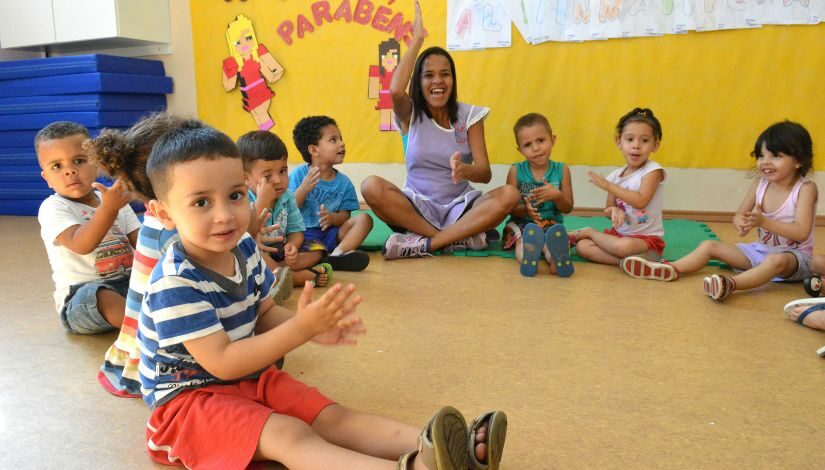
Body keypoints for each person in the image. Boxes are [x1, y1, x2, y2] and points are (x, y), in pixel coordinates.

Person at [138, 121, 507, 469]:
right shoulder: (176, 282)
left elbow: (263, 314)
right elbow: (222, 362)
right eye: (201, 202)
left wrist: (308, 326)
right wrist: (300, 330)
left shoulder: (245, 249)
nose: (225, 215)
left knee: (330, 415)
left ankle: (440, 450)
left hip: (249, 378)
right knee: (289, 433)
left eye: (235, 195)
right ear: (163, 213)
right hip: (188, 403)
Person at [360, 0, 520, 259]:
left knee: (510, 194)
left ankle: (425, 245)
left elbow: (485, 173)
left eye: (444, 74)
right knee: (370, 186)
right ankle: (452, 239)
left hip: (461, 207)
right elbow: (395, 90)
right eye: (429, 75)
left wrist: (466, 170)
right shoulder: (410, 114)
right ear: (420, 82)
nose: (437, 81)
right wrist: (417, 41)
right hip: (416, 209)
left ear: (453, 80)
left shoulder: (470, 116)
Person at [623, 120, 817, 302]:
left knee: (777, 260)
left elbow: (801, 232)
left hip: (794, 257)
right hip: (759, 252)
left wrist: (763, 222)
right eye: (761, 156)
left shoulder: (805, 189)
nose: (765, 162)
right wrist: (742, 223)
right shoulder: (760, 184)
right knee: (709, 245)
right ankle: (669, 268)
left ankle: (730, 284)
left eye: (775, 156)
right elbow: (740, 215)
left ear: (798, 161)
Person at [36, 121, 140, 334]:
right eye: (57, 166)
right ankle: (146, 329)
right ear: (46, 178)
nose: (70, 171)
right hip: (82, 297)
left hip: (130, 283)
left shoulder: (113, 200)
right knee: (99, 295)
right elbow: (81, 243)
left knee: (165, 280)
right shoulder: (53, 207)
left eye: (79, 161)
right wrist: (109, 209)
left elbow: (141, 243)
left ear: (95, 164)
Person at [573, 108, 666, 266]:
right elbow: (608, 210)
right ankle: (631, 263)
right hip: (619, 235)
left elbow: (641, 201)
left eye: (644, 141)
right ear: (619, 142)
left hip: (645, 240)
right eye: (630, 139)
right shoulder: (615, 176)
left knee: (624, 246)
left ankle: (589, 232)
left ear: (655, 145)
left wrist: (608, 186)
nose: (636, 146)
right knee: (582, 247)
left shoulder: (653, 171)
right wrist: (615, 211)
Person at [240, 129, 332, 287]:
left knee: (318, 249)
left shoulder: (287, 197)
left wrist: (292, 247)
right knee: (251, 254)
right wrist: (263, 200)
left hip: (280, 250)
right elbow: (248, 233)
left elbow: (296, 231)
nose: (278, 180)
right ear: (246, 179)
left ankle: (284, 271)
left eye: (282, 171)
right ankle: (292, 278)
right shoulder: (243, 198)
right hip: (257, 248)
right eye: (267, 176)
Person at [290, 115, 373, 272]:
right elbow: (289, 208)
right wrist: (303, 188)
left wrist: (334, 218)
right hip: (303, 236)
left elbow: (345, 215)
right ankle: (318, 259)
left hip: (330, 235)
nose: (342, 143)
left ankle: (337, 255)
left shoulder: (344, 182)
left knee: (365, 219)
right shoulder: (299, 175)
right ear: (314, 150)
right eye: (333, 140)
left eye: (340, 139)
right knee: (310, 252)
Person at [504, 113, 574, 277]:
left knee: (553, 242)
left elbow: (568, 207)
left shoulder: (561, 170)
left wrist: (557, 196)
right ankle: (528, 259)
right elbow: (509, 208)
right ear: (520, 150)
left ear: (553, 140)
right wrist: (525, 210)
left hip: (551, 225)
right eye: (528, 145)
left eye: (541, 141)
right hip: (522, 225)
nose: (536, 148)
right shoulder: (516, 171)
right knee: (523, 242)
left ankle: (557, 260)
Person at [222, 14, 284, 130]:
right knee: (262, 119)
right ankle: (267, 135)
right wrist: (230, 69)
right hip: (250, 95)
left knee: (263, 118)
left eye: (248, 38)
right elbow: (228, 86)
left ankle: (267, 135)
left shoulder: (259, 53)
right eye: (237, 43)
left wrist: (271, 70)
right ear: (232, 45)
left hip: (261, 91)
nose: (244, 44)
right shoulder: (234, 63)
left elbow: (275, 72)